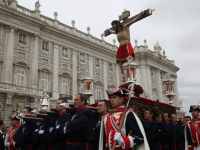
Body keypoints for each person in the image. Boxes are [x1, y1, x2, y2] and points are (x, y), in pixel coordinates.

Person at [107, 11, 144, 81]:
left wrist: (140, 15)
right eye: (113, 26)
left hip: (126, 45)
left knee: (129, 60)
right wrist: (108, 30)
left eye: (114, 25)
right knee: (119, 60)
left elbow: (133, 21)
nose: (114, 27)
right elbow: (111, 32)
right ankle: (124, 74)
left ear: (118, 24)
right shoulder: (116, 32)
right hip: (121, 46)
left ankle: (132, 75)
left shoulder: (125, 27)